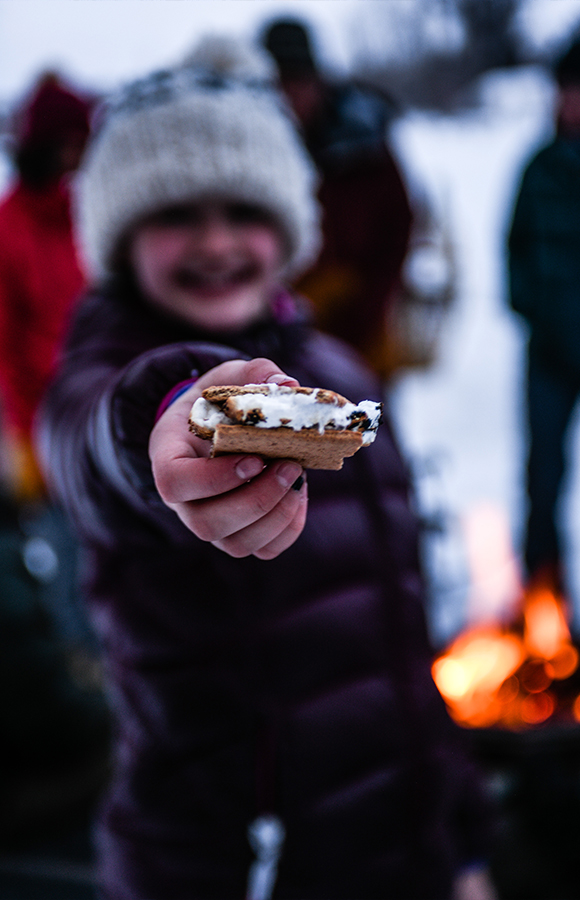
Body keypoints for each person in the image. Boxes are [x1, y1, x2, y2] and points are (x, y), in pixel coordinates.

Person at [37, 37, 496, 900]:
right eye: (175, 215)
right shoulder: (99, 378)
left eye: (243, 210)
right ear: (120, 236)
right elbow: (101, 436)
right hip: (225, 863)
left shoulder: (346, 377)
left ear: (289, 225)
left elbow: (400, 647)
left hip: (399, 852)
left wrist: (462, 841)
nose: (216, 242)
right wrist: (174, 418)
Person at [261, 18, 414, 379]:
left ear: (317, 82)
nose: (288, 98)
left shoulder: (364, 142)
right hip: (270, 326)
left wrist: (369, 308)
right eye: (275, 86)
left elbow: (397, 225)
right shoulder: (248, 149)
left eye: (297, 82)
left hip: (358, 316)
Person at [508, 37, 580, 598]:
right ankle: (543, 608)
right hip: (549, 357)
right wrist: (535, 311)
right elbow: (514, 252)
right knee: (542, 482)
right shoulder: (539, 167)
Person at [0, 72, 92, 502]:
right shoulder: (10, 225)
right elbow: (8, 343)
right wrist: (24, 435)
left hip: (102, 400)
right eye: (70, 143)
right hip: (47, 418)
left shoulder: (90, 213)